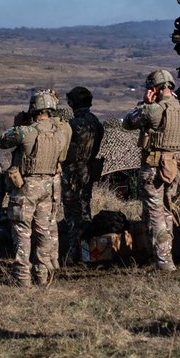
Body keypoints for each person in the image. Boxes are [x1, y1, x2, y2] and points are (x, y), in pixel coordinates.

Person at [0, 90, 71, 286]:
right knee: (43, 230)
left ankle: (22, 276)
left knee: (22, 230)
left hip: (27, 188)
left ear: (34, 109)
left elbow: (2, 141)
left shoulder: (26, 132)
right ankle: (42, 274)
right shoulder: (61, 133)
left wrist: (19, 124)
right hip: (49, 187)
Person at [122, 69, 180, 272]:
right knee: (168, 212)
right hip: (177, 168)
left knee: (156, 215)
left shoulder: (154, 110)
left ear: (154, 89)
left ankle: (163, 262)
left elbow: (128, 123)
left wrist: (147, 103)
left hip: (155, 168)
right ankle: (169, 254)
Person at [62, 86, 105, 264]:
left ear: (72, 103)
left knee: (72, 216)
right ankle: (88, 254)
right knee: (85, 212)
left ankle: (74, 255)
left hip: (73, 173)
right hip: (88, 170)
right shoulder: (96, 123)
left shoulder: (73, 125)